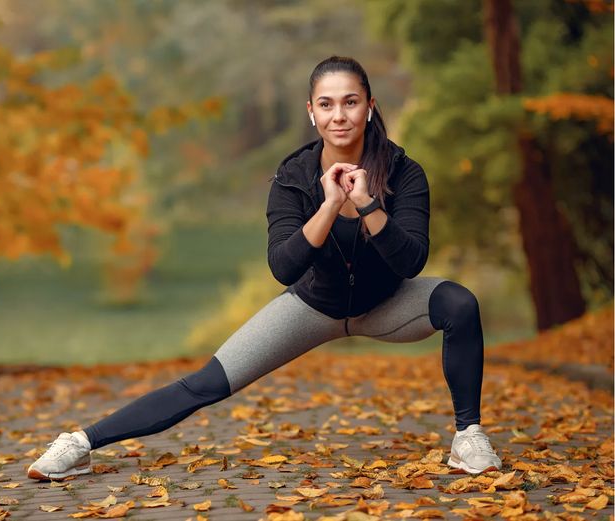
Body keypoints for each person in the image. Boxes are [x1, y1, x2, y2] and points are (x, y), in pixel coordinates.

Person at [26, 56, 502, 480]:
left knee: (459, 303)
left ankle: (469, 437)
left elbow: (412, 259)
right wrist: (331, 205)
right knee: (207, 383)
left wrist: (367, 204)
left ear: (370, 106)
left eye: (351, 102)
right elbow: (283, 266)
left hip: (388, 304)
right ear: (310, 111)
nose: (340, 115)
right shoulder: (293, 178)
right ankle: (81, 443)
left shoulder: (402, 171)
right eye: (327, 104)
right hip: (313, 306)